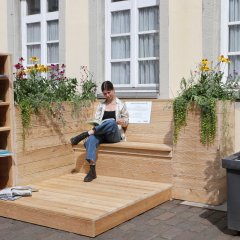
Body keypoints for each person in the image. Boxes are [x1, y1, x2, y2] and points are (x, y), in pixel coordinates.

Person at [70, 81, 129, 182]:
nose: (107, 95)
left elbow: (126, 121)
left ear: (113, 90)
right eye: (105, 93)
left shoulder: (121, 105)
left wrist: (122, 121)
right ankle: (92, 171)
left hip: (113, 135)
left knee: (111, 122)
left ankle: (85, 134)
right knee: (91, 140)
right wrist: (96, 124)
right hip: (101, 134)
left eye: (109, 92)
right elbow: (97, 121)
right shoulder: (101, 106)